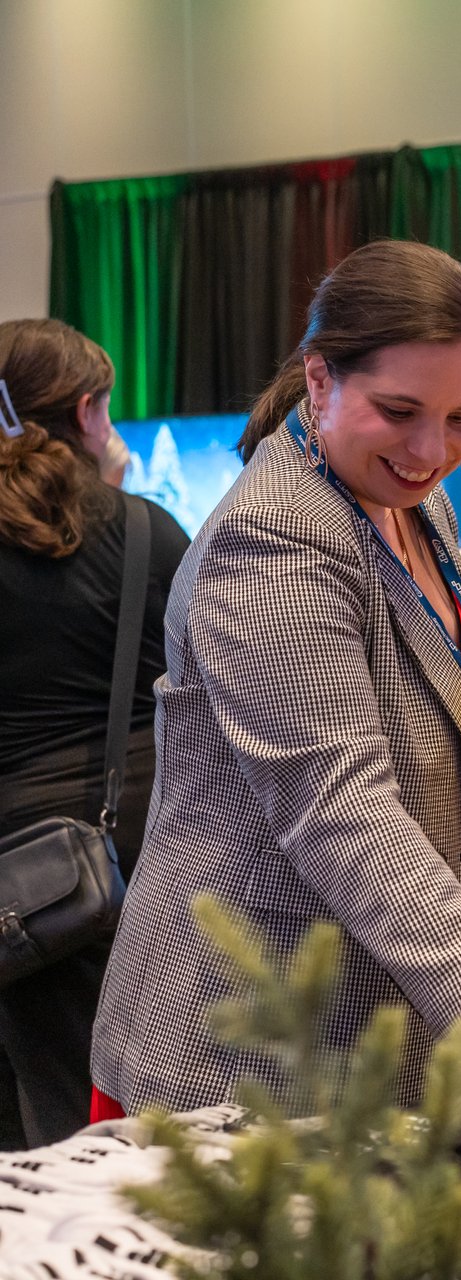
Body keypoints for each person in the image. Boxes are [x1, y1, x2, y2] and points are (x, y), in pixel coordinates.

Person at [92, 240, 461, 1117]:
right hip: (245, 1052)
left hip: (358, 1030)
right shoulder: (275, 540)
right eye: (400, 409)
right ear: (321, 380)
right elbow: (337, 799)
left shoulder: (419, 499)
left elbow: (407, 639)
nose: (430, 449)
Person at [0, 320, 191, 1147]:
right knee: (156, 1134)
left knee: (30, 1138)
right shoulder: (148, 531)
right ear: (87, 412)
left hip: (11, 880)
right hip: (144, 864)